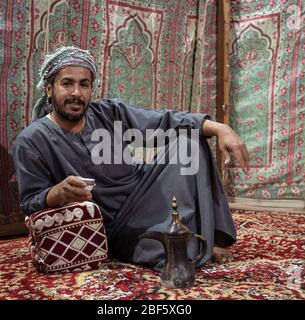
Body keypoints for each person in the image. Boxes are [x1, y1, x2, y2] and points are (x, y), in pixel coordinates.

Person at [13, 46, 249, 271]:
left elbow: (164, 121)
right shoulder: (32, 140)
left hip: (145, 192)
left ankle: (208, 238)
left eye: (84, 85)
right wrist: (57, 193)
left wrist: (220, 128)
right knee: (164, 249)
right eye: (67, 83)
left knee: (190, 143)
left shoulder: (108, 113)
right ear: (48, 88)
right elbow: (30, 202)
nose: (76, 93)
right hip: (116, 226)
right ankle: (184, 243)